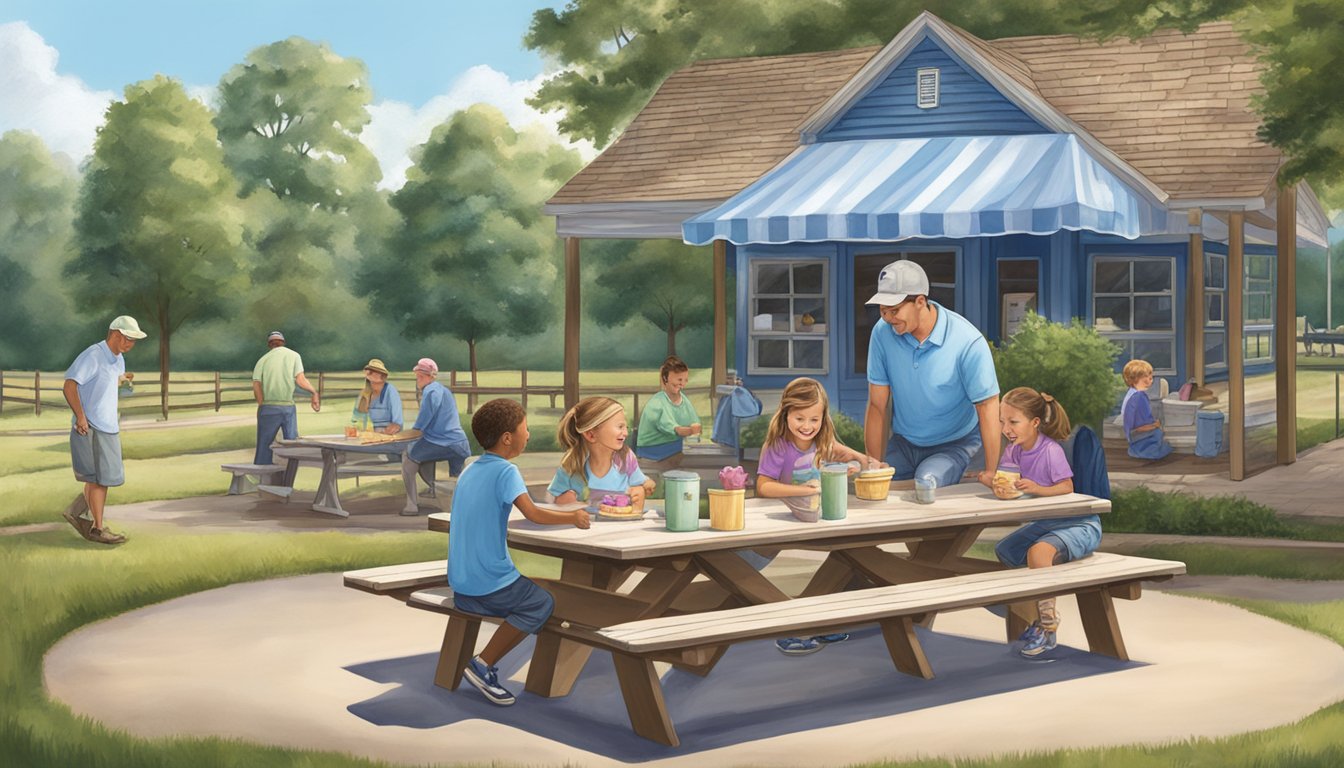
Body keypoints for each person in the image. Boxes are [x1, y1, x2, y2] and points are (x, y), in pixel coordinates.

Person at [449, 398, 591, 706]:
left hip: (462, 585)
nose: (528, 435)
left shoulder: (470, 469)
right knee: (542, 602)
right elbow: (533, 514)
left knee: (535, 586)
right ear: (507, 438)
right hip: (488, 585)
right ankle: (481, 664)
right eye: (525, 429)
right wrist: (573, 516)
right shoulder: (506, 471)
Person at [756, 378, 883, 656]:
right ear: (786, 413)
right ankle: (792, 627)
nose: (807, 426)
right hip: (781, 523)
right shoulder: (778, 446)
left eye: (814, 419)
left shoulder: (821, 440)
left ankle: (821, 621)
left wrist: (862, 461)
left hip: (818, 519)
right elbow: (763, 486)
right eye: (799, 417)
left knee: (853, 553)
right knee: (755, 575)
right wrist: (801, 488)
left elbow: (842, 452)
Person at [863, 260, 1002, 490]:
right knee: (871, 486)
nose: (887, 318)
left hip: (953, 444)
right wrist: (873, 463)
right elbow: (877, 405)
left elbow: (988, 407)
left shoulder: (968, 341)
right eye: (882, 310)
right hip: (904, 443)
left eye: (894, 310)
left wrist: (991, 471)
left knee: (925, 484)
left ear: (920, 301)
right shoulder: (882, 333)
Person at [985, 387, 1100, 659]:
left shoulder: (1050, 451)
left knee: (1037, 552)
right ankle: (1028, 606)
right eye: (1003, 422)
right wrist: (997, 485)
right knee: (1006, 550)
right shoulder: (1013, 452)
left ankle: (1048, 628)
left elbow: (1066, 487)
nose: (1006, 428)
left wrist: (1036, 488)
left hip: (1078, 524)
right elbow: (1009, 481)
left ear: (1035, 422)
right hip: (1048, 524)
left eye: (1013, 422)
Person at [61, 315, 147, 544]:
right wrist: (80, 417)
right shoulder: (93, 355)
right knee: (100, 480)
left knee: (100, 478)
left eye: (133, 341)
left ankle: (76, 511)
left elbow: (107, 382)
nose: (131, 345)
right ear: (116, 335)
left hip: (108, 425)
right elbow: (70, 385)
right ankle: (98, 529)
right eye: (128, 339)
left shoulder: (118, 359)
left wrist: (123, 380)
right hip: (90, 426)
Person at [549, 396, 654, 514]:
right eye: (620, 427)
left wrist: (642, 490)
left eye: (626, 427)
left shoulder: (625, 457)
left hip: (620, 525)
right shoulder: (572, 464)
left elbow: (641, 484)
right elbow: (555, 499)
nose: (625, 433)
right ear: (591, 435)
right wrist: (565, 502)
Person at [401, 357, 472, 515]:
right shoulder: (443, 389)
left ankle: (411, 506)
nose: (418, 379)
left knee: (409, 457)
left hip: (442, 443)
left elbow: (420, 426)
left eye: (422, 376)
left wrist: (399, 437)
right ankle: (434, 489)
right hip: (460, 443)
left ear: (431, 376)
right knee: (456, 478)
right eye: (418, 375)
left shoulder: (430, 392)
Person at [252, 330, 319, 465]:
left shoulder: (262, 360)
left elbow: (256, 385)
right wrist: (314, 392)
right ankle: (290, 476)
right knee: (292, 445)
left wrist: (261, 404)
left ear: (269, 344)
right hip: (288, 407)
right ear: (283, 342)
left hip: (268, 407)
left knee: (264, 446)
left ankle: (263, 478)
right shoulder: (294, 356)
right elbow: (300, 380)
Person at [634, 355, 702, 466]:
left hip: (674, 451)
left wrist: (696, 428)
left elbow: (695, 424)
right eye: (679, 379)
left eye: (685, 380)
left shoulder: (683, 400)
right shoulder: (657, 403)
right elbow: (676, 430)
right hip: (653, 454)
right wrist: (692, 430)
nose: (682, 384)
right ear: (665, 378)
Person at [1120, 359, 1174, 461]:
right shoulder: (1139, 397)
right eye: (1146, 378)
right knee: (1160, 436)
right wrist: (1155, 425)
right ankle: (1147, 451)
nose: (1150, 380)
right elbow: (1141, 425)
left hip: (1131, 435)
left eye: (1151, 377)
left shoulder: (1131, 393)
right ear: (1134, 379)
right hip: (1139, 435)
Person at [349, 358, 402, 434]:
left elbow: (397, 424)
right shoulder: (364, 394)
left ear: (383, 375)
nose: (375, 374)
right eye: (371, 371)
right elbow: (356, 419)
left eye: (378, 372)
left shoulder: (390, 391)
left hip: (388, 436)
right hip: (369, 435)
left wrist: (385, 433)